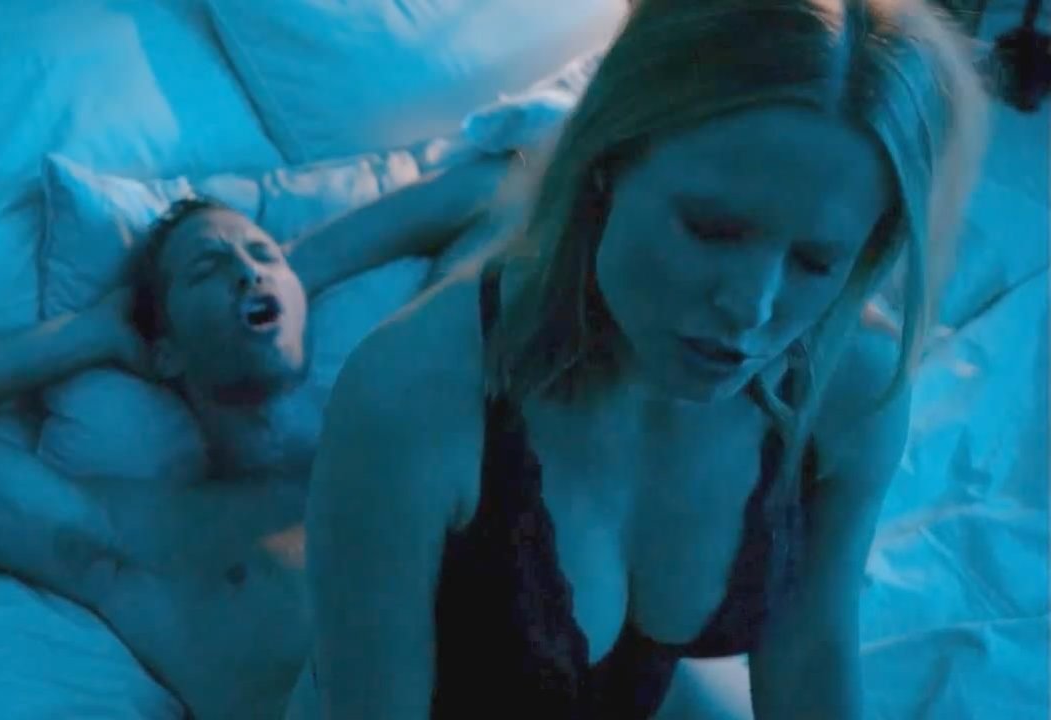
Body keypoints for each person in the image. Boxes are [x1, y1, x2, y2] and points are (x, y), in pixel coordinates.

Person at [296, 1, 988, 718]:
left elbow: (811, 650)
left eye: (815, 260)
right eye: (713, 229)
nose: (750, 308)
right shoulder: (412, 398)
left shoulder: (852, 383)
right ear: (606, 163)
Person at [0, 152, 513, 720]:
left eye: (261, 253)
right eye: (207, 268)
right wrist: (89, 333)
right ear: (166, 352)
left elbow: (504, 189)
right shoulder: (150, 536)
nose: (246, 268)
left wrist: (290, 270)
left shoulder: (416, 414)